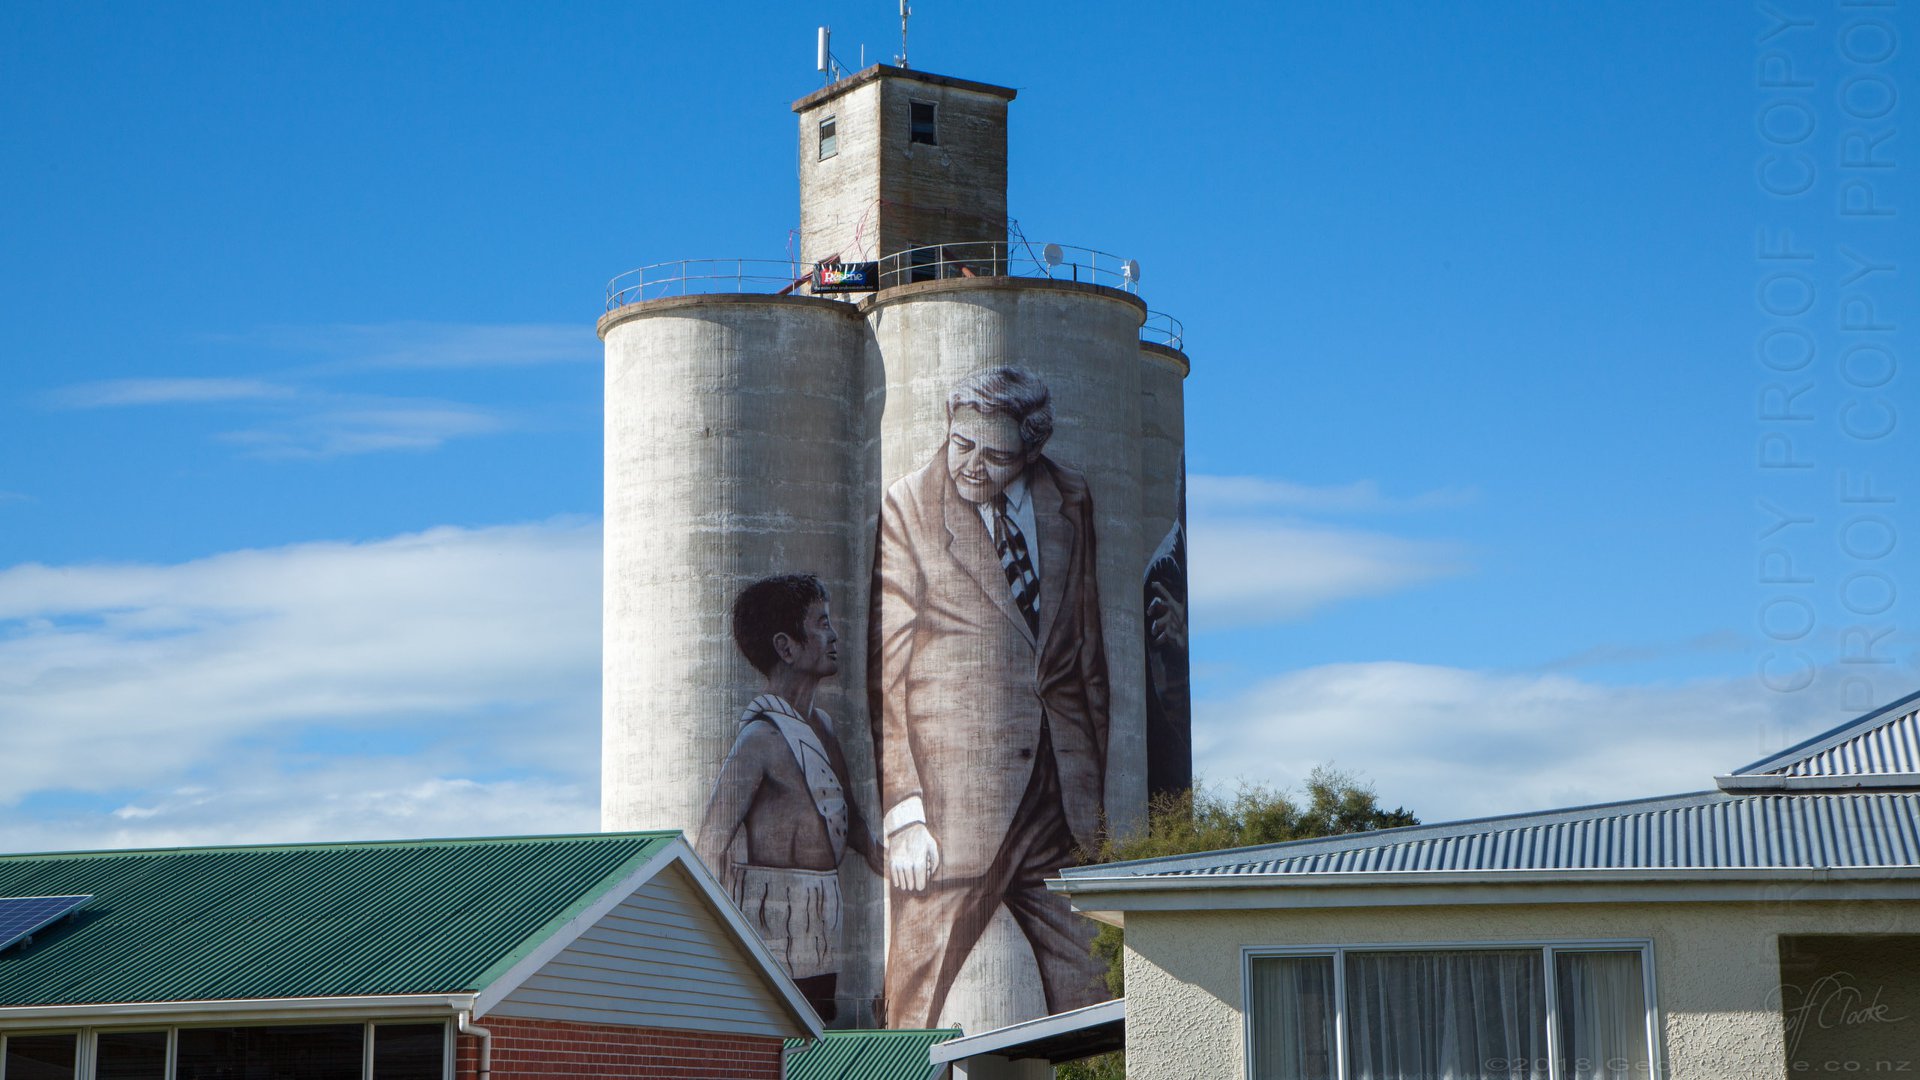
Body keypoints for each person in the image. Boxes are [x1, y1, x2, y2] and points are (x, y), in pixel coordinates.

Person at [870, 366, 1110, 1028]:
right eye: (961, 444)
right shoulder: (909, 506)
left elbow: (1087, 653)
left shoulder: (1070, 498)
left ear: (1031, 452)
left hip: (1060, 798)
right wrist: (904, 810)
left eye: (996, 455)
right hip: (954, 808)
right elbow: (886, 666)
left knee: (1102, 990)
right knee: (915, 996)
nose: (972, 466)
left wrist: (1096, 792)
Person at [696, 573, 880, 1023]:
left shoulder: (826, 729)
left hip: (823, 918)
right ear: (786, 647)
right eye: (821, 624)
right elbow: (709, 847)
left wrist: (898, 865)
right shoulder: (759, 740)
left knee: (818, 1031)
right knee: (780, 1035)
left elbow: (852, 822)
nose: (835, 635)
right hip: (771, 919)